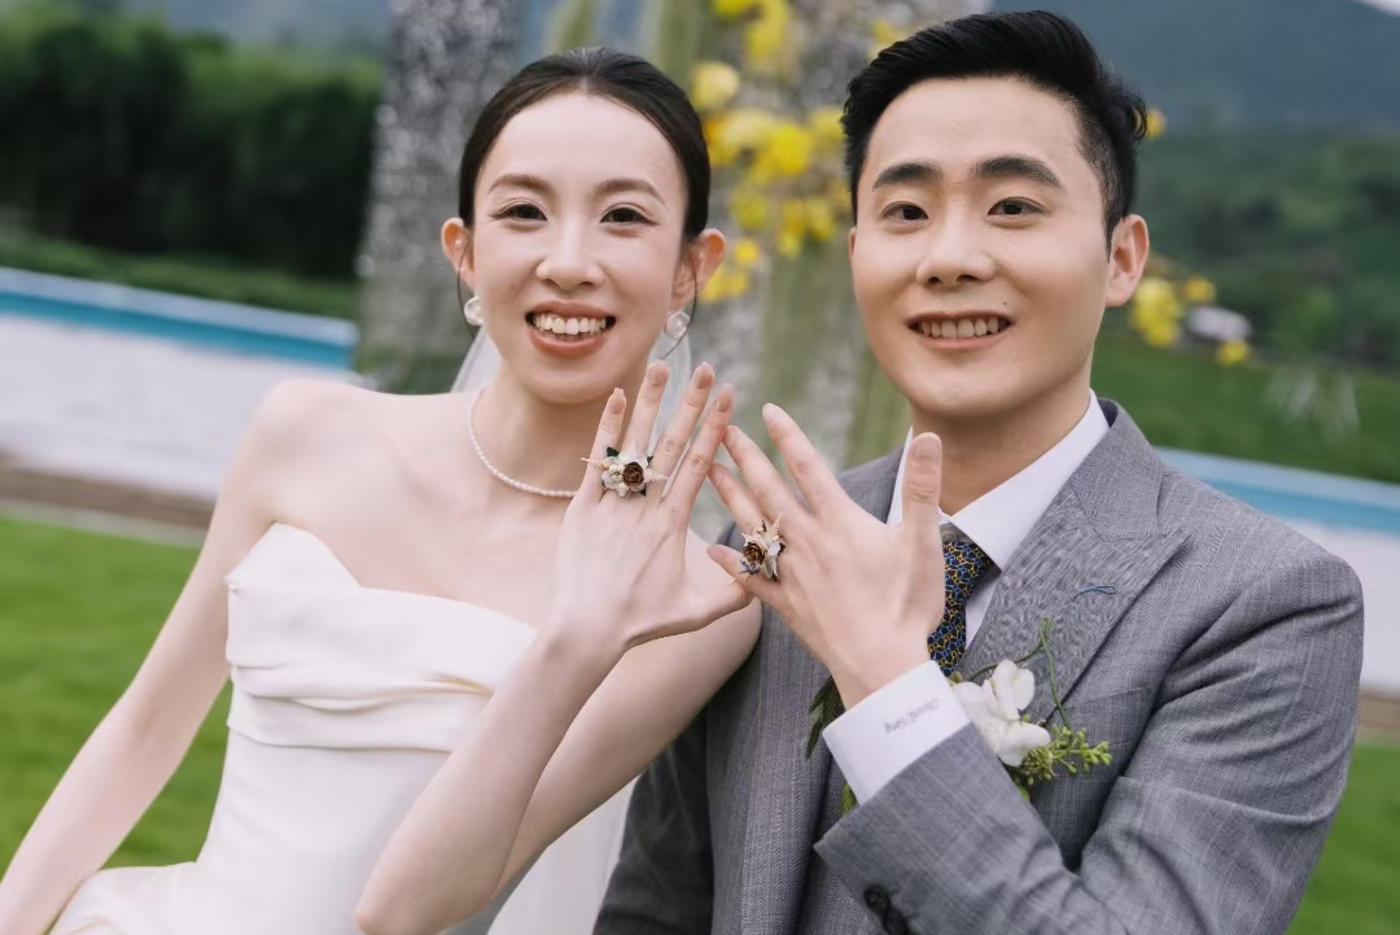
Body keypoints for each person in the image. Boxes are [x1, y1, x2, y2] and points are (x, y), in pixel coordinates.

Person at [596, 12, 1365, 935]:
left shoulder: (1265, 604)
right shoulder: (769, 547)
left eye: (1012, 207)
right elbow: (655, 909)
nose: (950, 258)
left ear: (1122, 258)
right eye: (906, 213)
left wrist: (888, 679)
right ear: (857, 256)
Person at [0, 47, 759, 935]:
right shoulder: (305, 432)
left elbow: (410, 910)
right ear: (463, 251)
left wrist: (578, 638)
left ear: (690, 268)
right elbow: (146, 727)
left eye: (623, 216)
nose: (567, 262)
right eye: (524, 211)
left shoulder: (694, 602)